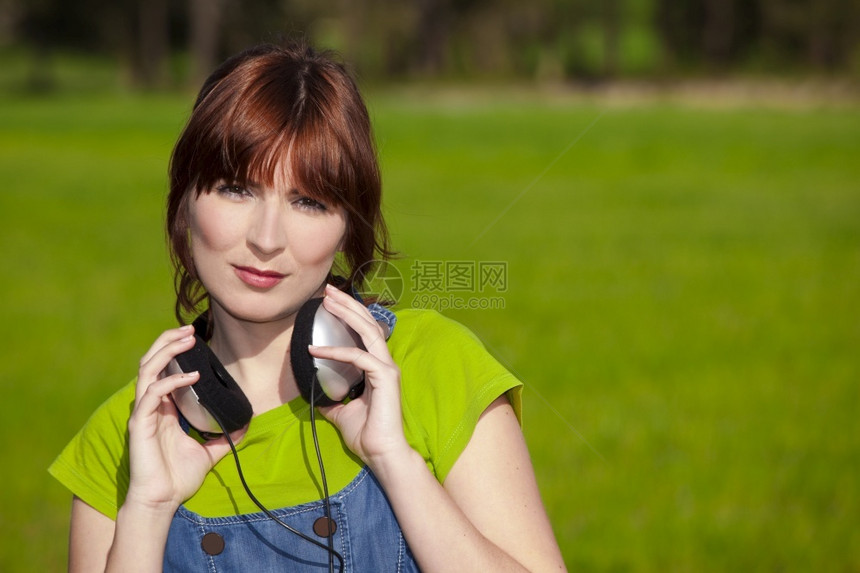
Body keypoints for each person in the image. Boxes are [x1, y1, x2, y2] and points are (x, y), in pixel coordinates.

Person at [49, 41, 566, 572]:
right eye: (236, 189)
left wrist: (396, 463)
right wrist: (149, 510)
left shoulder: (432, 363)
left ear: (347, 228)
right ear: (184, 202)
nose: (267, 238)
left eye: (308, 201)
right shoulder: (126, 431)